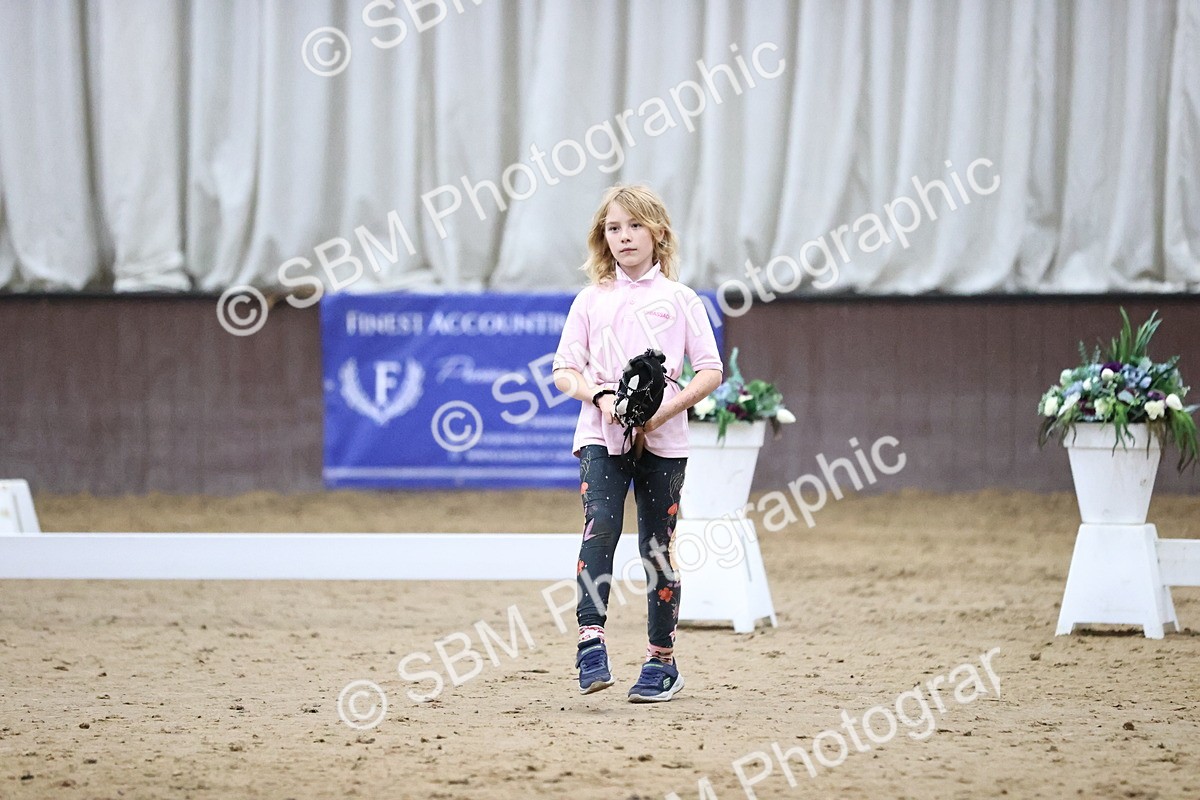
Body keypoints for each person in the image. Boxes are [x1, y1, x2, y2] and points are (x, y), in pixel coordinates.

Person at [552, 184, 723, 702]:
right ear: (602, 238)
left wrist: (661, 412)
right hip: (599, 434)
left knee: (657, 548)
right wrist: (603, 398)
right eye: (613, 227)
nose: (624, 236)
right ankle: (590, 643)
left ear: (658, 232)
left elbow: (710, 371)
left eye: (634, 226)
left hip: (664, 442)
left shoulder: (681, 299)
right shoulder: (590, 299)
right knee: (600, 527)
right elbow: (564, 371)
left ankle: (661, 661)